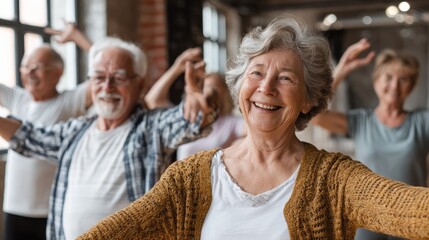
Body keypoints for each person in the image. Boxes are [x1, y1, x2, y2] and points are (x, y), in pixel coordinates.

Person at [77, 16, 429, 240]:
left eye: (286, 77)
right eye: (256, 73)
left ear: (308, 100)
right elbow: (117, 231)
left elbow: (408, 207)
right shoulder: (187, 179)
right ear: (239, 85)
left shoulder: (334, 180)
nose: (266, 87)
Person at [0, 37, 217, 240]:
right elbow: (29, 136)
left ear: (140, 85)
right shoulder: (76, 131)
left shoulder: (151, 128)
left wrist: (198, 96)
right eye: (99, 77)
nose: (107, 87)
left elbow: (195, 120)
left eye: (118, 78)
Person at [311, 40, 429, 240]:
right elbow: (315, 115)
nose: (394, 86)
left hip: (412, 220)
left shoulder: (422, 121)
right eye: (388, 77)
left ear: (412, 86)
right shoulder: (360, 121)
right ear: (376, 81)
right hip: (367, 222)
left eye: (404, 79)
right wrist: (340, 72)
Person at [1, 26, 93, 240]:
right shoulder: (17, 98)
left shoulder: (69, 101)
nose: (29, 73)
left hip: (52, 211)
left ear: (57, 73)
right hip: (14, 210)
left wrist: (79, 37)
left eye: (37, 67)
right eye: (25, 67)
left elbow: (107, 69)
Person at [145, 49, 246, 160]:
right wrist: (177, 68)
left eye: (214, 87)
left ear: (224, 94)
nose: (208, 91)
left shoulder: (231, 123)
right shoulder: (187, 117)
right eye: (204, 86)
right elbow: (152, 101)